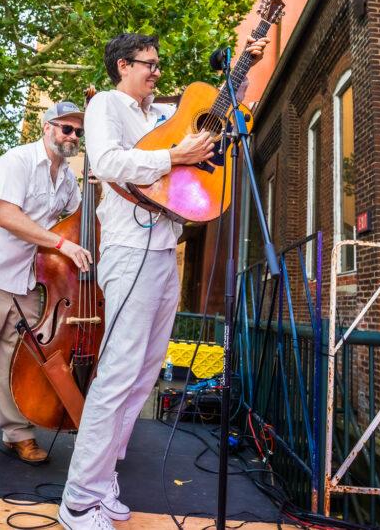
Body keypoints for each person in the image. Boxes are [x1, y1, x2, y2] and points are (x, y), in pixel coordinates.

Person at [57, 33, 268, 530]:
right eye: (147, 64)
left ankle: (104, 477)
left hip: (162, 248)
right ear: (123, 65)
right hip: (128, 250)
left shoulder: (157, 117)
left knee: (145, 373)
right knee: (118, 371)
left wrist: (241, 70)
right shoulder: (108, 104)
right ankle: (78, 498)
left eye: (157, 64)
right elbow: (107, 162)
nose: (156, 71)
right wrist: (175, 157)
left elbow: (205, 133)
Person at [0, 101, 92, 473]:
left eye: (78, 132)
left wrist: (97, 189)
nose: (72, 136)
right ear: (47, 128)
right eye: (65, 128)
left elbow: (78, 220)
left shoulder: (68, 178)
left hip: (25, 278)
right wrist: (62, 245)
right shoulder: (17, 160)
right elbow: (8, 217)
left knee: (18, 363)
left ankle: (18, 433)